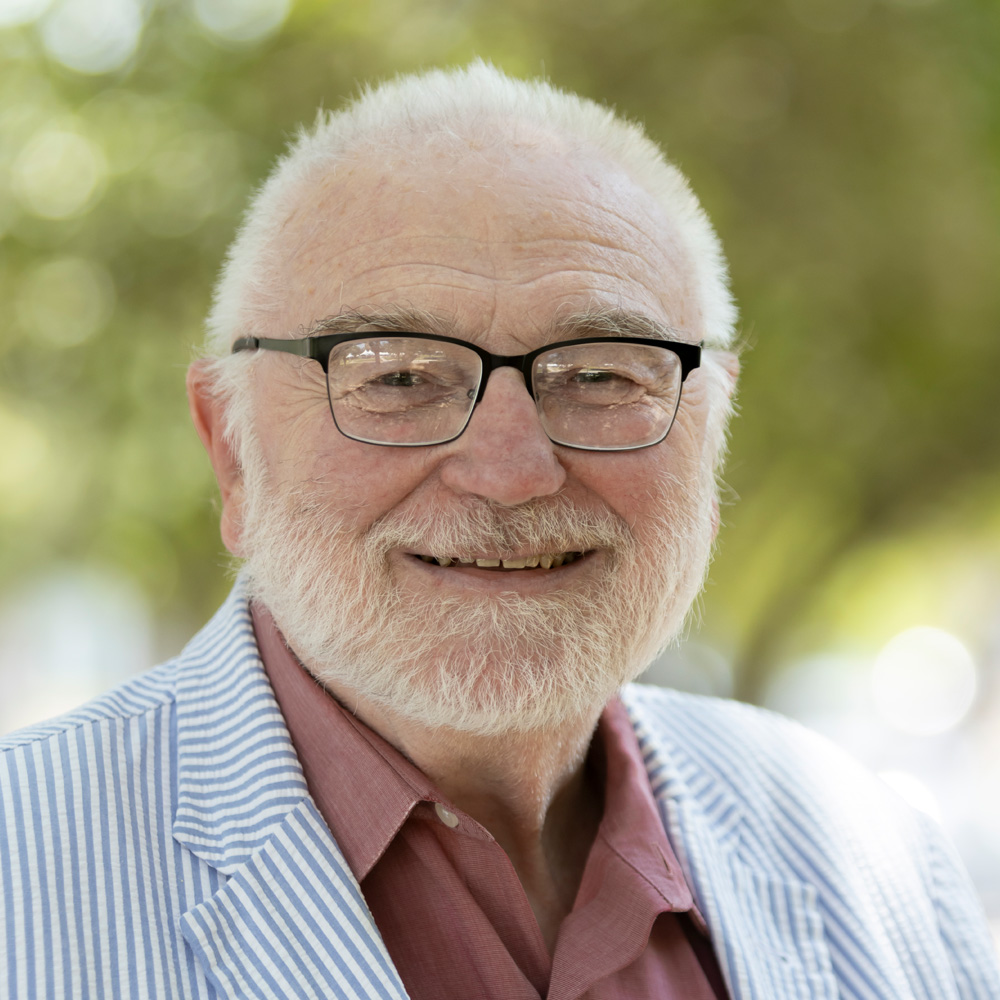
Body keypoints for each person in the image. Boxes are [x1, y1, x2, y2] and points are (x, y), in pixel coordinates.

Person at [1, 62, 997, 1000]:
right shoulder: (23, 873)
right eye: (395, 374)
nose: (512, 470)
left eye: (604, 372)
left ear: (712, 427)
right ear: (230, 449)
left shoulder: (879, 856)